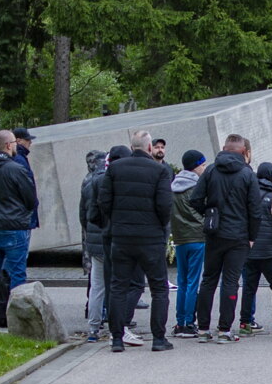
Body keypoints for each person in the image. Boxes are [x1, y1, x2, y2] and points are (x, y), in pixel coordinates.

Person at [96, 130, 173, 352]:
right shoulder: (159, 171)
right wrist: (159, 227)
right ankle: (159, 338)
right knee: (159, 288)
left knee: (118, 287)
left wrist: (117, 221)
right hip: (150, 237)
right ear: (150, 148)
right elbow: (164, 205)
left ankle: (117, 338)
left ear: (132, 148)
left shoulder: (115, 169)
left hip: (121, 237)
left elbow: (104, 201)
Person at [190, 134, 261, 343]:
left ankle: (202, 329)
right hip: (239, 236)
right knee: (231, 281)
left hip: (214, 232)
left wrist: (209, 213)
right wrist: (252, 236)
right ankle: (224, 330)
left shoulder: (211, 169)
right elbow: (255, 210)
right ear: (244, 152)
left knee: (209, 279)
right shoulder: (248, 174)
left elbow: (195, 199)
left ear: (223, 148)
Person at [0, 129, 37, 325]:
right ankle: (16, 316)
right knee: (17, 272)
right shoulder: (15, 169)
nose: (16, 146)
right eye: (14, 142)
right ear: (8, 145)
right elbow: (31, 199)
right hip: (14, 226)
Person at [241, 163, 272, 336]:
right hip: (270, 249)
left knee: (249, 287)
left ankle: (245, 323)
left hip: (250, 249)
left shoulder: (248, 194)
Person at [169, 150, 208, 338]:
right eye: (202, 164)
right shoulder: (197, 187)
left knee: (182, 281)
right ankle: (190, 323)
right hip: (197, 239)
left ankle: (180, 322)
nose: (205, 168)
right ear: (195, 166)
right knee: (194, 282)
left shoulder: (173, 187)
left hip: (180, 239)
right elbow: (203, 212)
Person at [79, 150, 108, 341]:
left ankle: (93, 328)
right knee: (114, 284)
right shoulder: (109, 181)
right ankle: (117, 326)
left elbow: (83, 214)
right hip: (109, 239)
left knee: (96, 286)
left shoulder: (87, 182)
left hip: (93, 240)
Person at [11, 127, 41, 234]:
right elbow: (25, 187)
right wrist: (33, 204)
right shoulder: (19, 159)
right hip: (23, 217)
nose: (30, 142)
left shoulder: (19, 157)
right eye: (27, 140)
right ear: (19, 141)